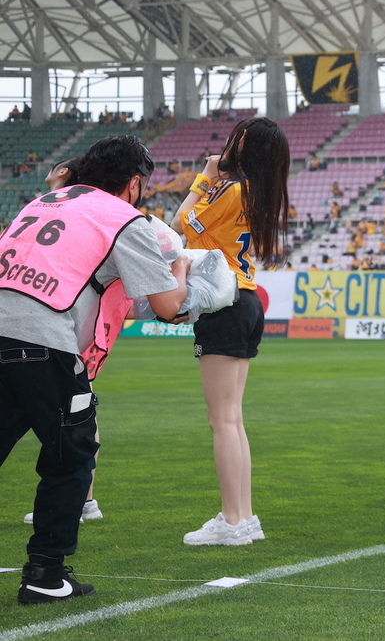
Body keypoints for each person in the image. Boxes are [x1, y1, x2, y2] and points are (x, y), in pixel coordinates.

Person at [0, 135, 188, 604]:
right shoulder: (126, 217)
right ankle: (45, 574)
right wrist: (184, 266)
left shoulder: (44, 201)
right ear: (134, 183)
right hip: (43, 338)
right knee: (73, 452)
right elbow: (168, 306)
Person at [172, 117, 290, 546]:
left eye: (238, 137)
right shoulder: (257, 191)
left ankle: (232, 521)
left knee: (222, 420)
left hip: (225, 301)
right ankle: (243, 517)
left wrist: (204, 177)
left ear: (245, 146)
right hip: (245, 298)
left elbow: (180, 224)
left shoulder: (232, 189)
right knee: (232, 419)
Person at [21, 158, 105, 527]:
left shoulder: (60, 209)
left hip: (58, 322)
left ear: (65, 174)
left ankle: (81, 498)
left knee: (76, 408)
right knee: (80, 405)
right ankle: (84, 498)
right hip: (68, 322)